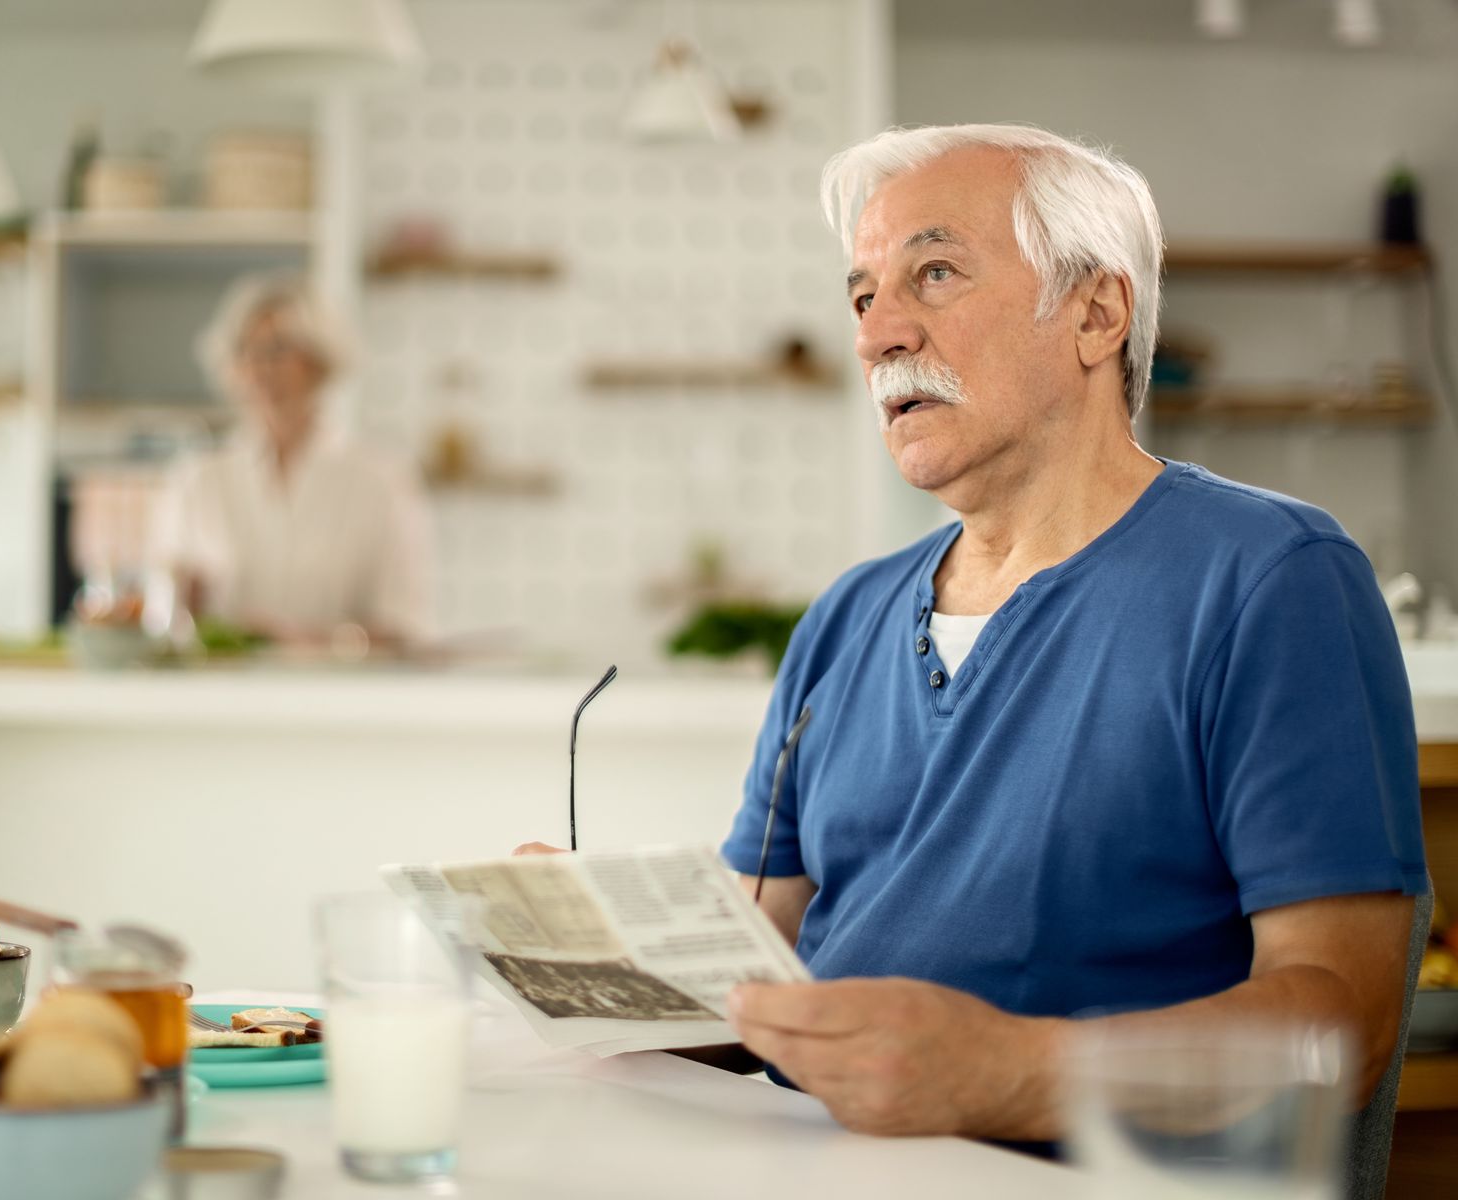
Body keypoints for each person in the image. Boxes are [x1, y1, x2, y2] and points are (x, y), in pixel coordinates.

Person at [519, 123, 1427, 1144]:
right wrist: (607, 959)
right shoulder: (846, 617)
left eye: (934, 273)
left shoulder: (1272, 579)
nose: (876, 335)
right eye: (862, 296)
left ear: (1094, 314)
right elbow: (755, 997)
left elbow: (1342, 1025)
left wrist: (1010, 1072)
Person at [148, 278, 433, 652]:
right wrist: (183, 606)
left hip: (339, 698)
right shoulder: (196, 480)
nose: (260, 366)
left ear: (320, 361)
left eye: (278, 349)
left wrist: (317, 642)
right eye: (245, 350)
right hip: (223, 696)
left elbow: (406, 626)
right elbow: (163, 619)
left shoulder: (382, 481)